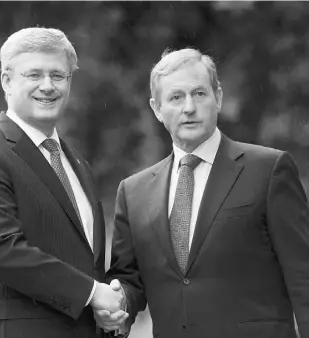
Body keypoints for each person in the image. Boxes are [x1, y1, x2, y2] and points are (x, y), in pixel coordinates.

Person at [95, 48, 309, 338]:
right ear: (157, 108)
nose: (189, 107)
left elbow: (302, 275)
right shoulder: (133, 192)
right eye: (175, 97)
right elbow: (129, 279)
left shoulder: (269, 170)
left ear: (218, 97)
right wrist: (118, 306)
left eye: (199, 93)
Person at [0, 27, 126, 338]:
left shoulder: (79, 165)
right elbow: (0, 249)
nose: (48, 86)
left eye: (58, 75)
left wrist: (108, 311)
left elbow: (86, 263)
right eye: (34, 75)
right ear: (6, 81)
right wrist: (92, 293)